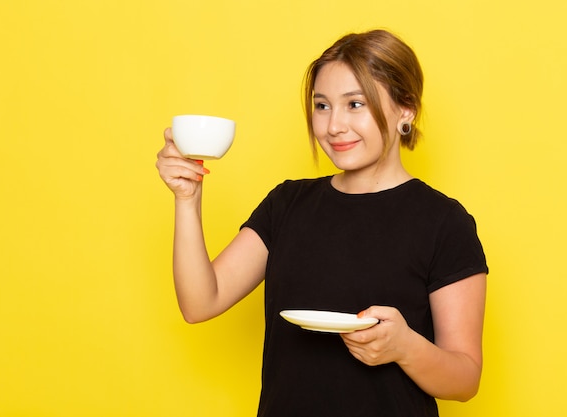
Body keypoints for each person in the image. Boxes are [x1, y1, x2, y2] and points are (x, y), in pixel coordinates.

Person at [156, 29, 488, 417]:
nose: (333, 126)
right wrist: (187, 198)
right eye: (322, 105)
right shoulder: (287, 203)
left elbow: (466, 380)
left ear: (406, 109)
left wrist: (404, 347)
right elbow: (200, 303)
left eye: (355, 104)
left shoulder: (445, 223)